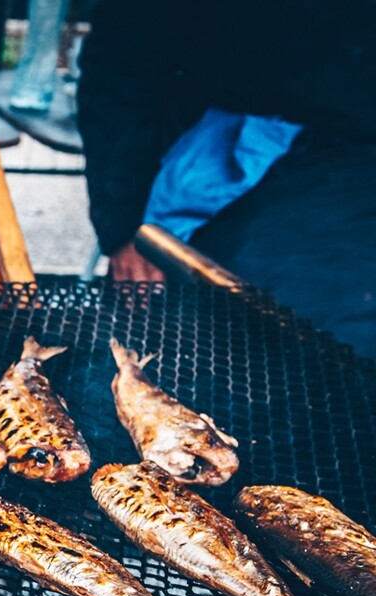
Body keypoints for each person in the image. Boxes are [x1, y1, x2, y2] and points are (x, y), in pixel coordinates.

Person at [77, 0, 376, 358]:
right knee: (187, 342)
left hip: (351, 172)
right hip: (222, 160)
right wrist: (124, 227)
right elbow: (120, 60)